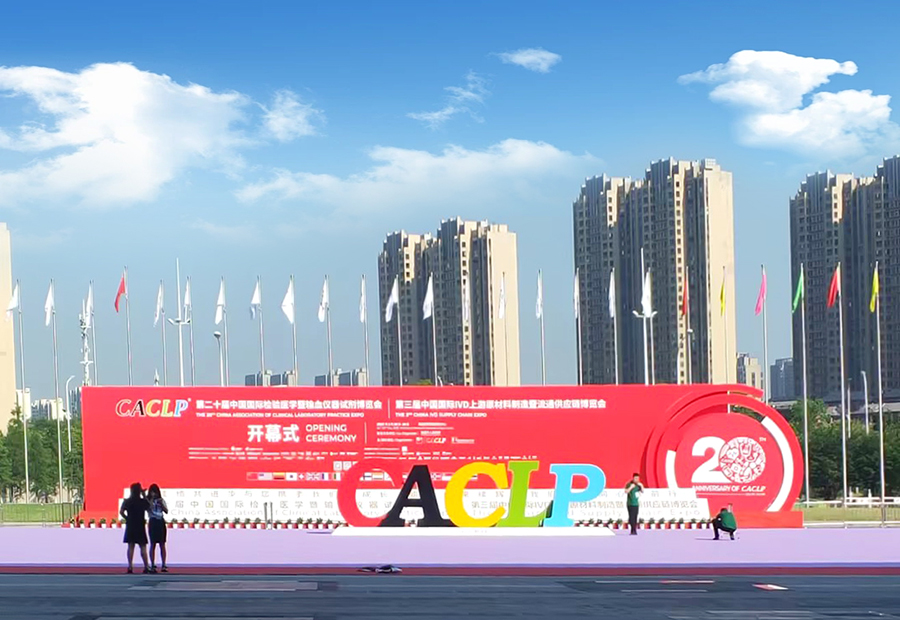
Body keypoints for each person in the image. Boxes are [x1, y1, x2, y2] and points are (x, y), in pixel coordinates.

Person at [119, 483, 151, 574]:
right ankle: (146, 566)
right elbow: (149, 506)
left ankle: (130, 567)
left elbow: (121, 511)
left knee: (130, 546)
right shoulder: (142, 501)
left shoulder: (127, 501)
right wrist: (144, 495)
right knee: (143, 546)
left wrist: (127, 518)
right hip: (140, 524)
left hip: (131, 524)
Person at [147, 484, 169, 573]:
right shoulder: (148, 500)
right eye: (152, 492)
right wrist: (151, 499)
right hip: (153, 521)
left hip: (160, 521)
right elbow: (150, 508)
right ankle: (152, 564)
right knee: (153, 544)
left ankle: (164, 564)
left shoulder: (161, 500)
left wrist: (161, 504)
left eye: (155, 492)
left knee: (162, 544)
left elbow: (166, 511)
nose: (154, 494)